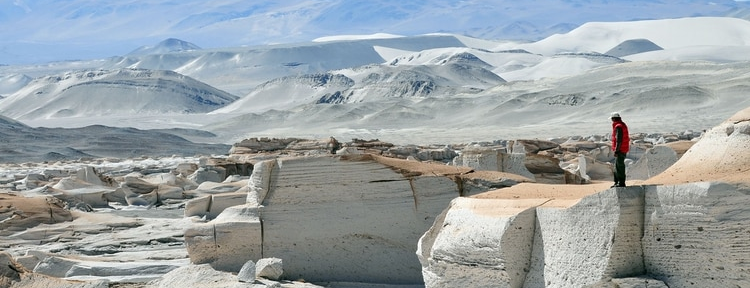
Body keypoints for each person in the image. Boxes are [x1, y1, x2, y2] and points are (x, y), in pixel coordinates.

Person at [610, 112, 630, 187]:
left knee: (619, 166)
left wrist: (617, 150)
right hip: (622, 149)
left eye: (612, 119)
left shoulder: (619, 126)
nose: (612, 120)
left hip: (620, 150)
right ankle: (617, 182)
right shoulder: (622, 125)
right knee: (617, 166)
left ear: (614, 118)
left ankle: (621, 183)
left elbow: (619, 140)